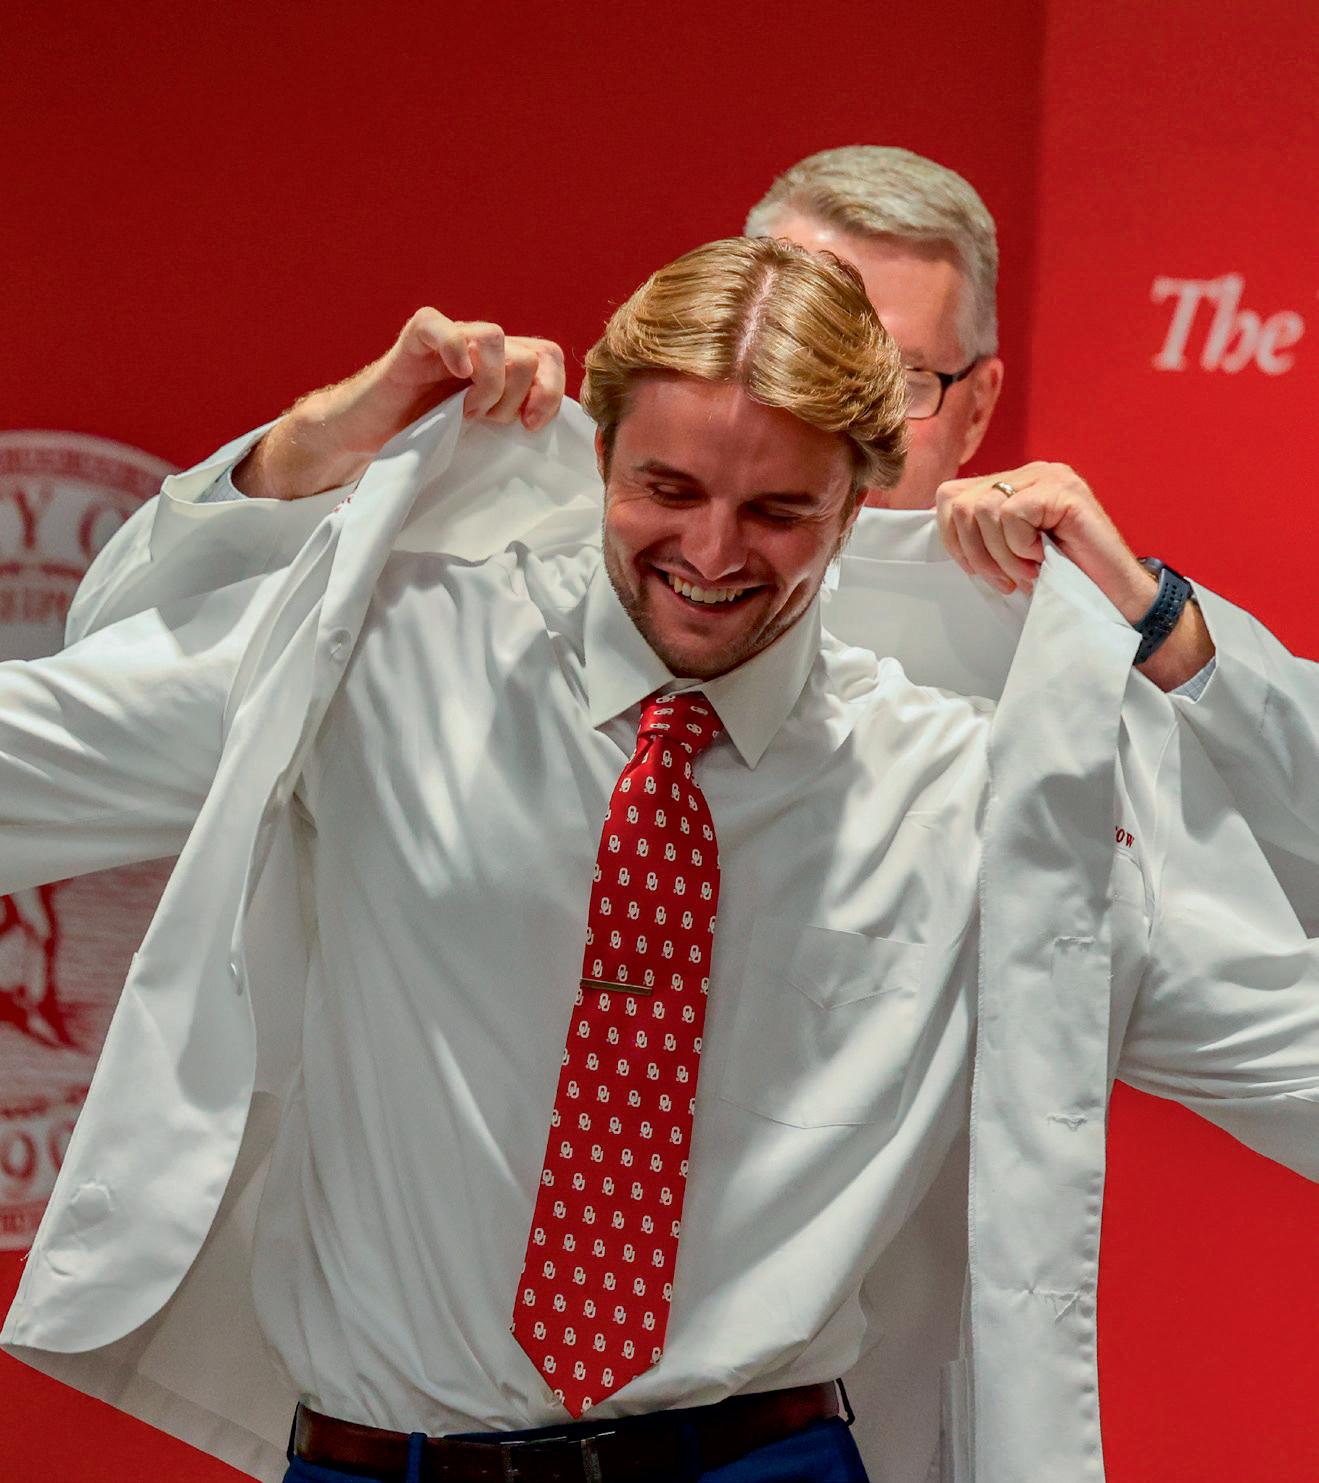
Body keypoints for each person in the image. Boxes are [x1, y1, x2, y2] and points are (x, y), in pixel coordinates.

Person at [2, 235, 1317, 1483]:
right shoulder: (384, 651)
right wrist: (297, 454)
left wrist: (1174, 632)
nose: (711, 552)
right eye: (668, 490)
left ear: (860, 501)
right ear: (601, 450)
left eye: (779, 509)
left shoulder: (969, 790)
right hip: (377, 1456)